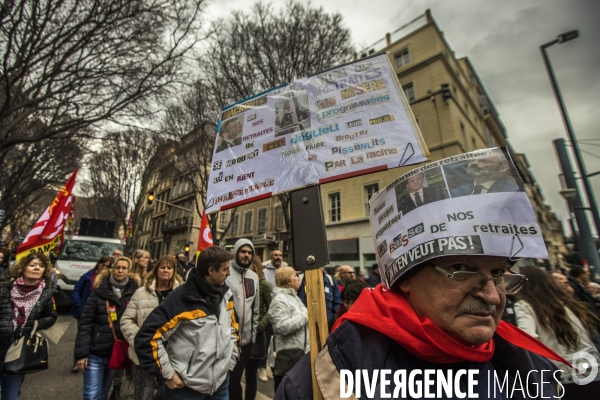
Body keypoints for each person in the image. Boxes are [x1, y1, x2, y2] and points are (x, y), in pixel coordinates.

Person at [276, 253, 569, 399]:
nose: (492, 296)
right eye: (461, 269)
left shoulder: (533, 369)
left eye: (498, 274)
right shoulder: (323, 377)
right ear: (405, 278)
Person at [134, 246, 239, 400]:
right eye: (225, 269)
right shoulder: (180, 298)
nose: (229, 273)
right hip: (186, 389)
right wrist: (168, 374)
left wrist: (230, 360)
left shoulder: (226, 295)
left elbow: (233, 329)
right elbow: (147, 337)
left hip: (220, 385)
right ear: (211, 270)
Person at [515, 266, 600, 389]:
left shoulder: (525, 306)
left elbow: (528, 339)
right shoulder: (569, 302)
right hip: (592, 367)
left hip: (562, 375)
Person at [75, 256, 140, 400]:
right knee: (92, 395)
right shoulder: (98, 293)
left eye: (124, 268)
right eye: (117, 267)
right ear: (112, 269)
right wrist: (81, 354)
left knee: (103, 394)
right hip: (95, 352)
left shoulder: (136, 294)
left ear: (129, 271)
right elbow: (85, 323)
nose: (120, 271)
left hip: (116, 352)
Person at [121, 255, 183, 400]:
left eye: (169, 268)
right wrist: (140, 341)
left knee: (165, 394)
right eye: (162, 267)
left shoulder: (181, 295)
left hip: (170, 357)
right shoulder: (141, 292)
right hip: (143, 356)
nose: (166, 271)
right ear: (156, 270)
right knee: (144, 395)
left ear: (174, 271)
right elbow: (126, 320)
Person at [0, 252, 58, 400]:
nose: (37, 268)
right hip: (1, 340)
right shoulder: (5, 288)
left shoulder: (46, 294)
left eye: (41, 266)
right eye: (32, 265)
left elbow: (52, 316)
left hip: (19, 348)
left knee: (11, 394)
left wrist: (37, 324)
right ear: (23, 268)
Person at [226, 239, 259, 400]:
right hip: (227, 341)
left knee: (236, 380)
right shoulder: (226, 273)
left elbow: (256, 309)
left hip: (245, 342)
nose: (246, 255)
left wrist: (252, 337)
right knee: (229, 383)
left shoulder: (254, 277)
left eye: (249, 252)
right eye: (243, 251)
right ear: (236, 252)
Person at [268, 267, 308, 393]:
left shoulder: (294, 297)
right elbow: (282, 326)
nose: (298, 278)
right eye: (295, 276)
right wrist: (305, 316)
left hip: (298, 356)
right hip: (287, 358)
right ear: (288, 281)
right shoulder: (279, 300)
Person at [70, 256, 112, 373]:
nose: (104, 267)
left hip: (101, 313)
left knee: (97, 336)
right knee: (83, 334)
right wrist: (80, 307)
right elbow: (76, 291)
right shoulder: (88, 276)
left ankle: (93, 359)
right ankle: (78, 359)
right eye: (102, 265)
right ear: (98, 264)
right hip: (85, 311)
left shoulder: (110, 279)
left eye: (107, 266)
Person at [246, 256, 272, 396]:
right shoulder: (242, 282)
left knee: (250, 375)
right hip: (242, 333)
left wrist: (260, 325)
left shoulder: (263, 285)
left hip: (257, 334)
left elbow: (271, 308)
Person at [450, 150, 523, 197]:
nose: (474, 163)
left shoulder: (513, 191)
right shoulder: (456, 192)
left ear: (502, 168)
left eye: (483, 161)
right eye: (472, 160)